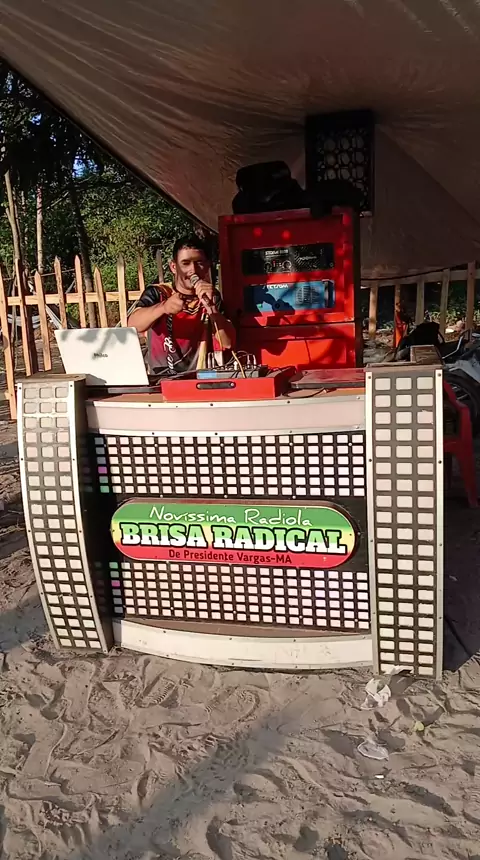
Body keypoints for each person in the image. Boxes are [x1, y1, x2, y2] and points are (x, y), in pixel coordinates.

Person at [128, 234, 235, 374]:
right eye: (185, 263)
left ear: (207, 266)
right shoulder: (159, 293)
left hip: (199, 378)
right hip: (161, 379)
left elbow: (228, 343)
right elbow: (132, 325)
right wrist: (163, 307)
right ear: (173, 267)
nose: (193, 270)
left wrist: (211, 308)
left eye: (199, 263)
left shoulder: (212, 296)